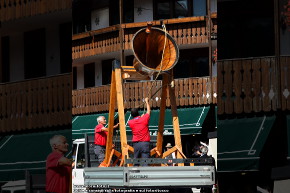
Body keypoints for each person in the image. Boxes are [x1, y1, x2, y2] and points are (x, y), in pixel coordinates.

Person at [128, 97, 151, 166]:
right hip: (144, 143)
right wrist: (147, 102)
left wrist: (141, 117)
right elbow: (148, 111)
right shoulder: (144, 119)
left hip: (136, 144)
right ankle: (145, 174)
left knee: (136, 161)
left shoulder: (130, 122)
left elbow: (137, 121)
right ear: (138, 113)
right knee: (145, 162)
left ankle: (135, 174)